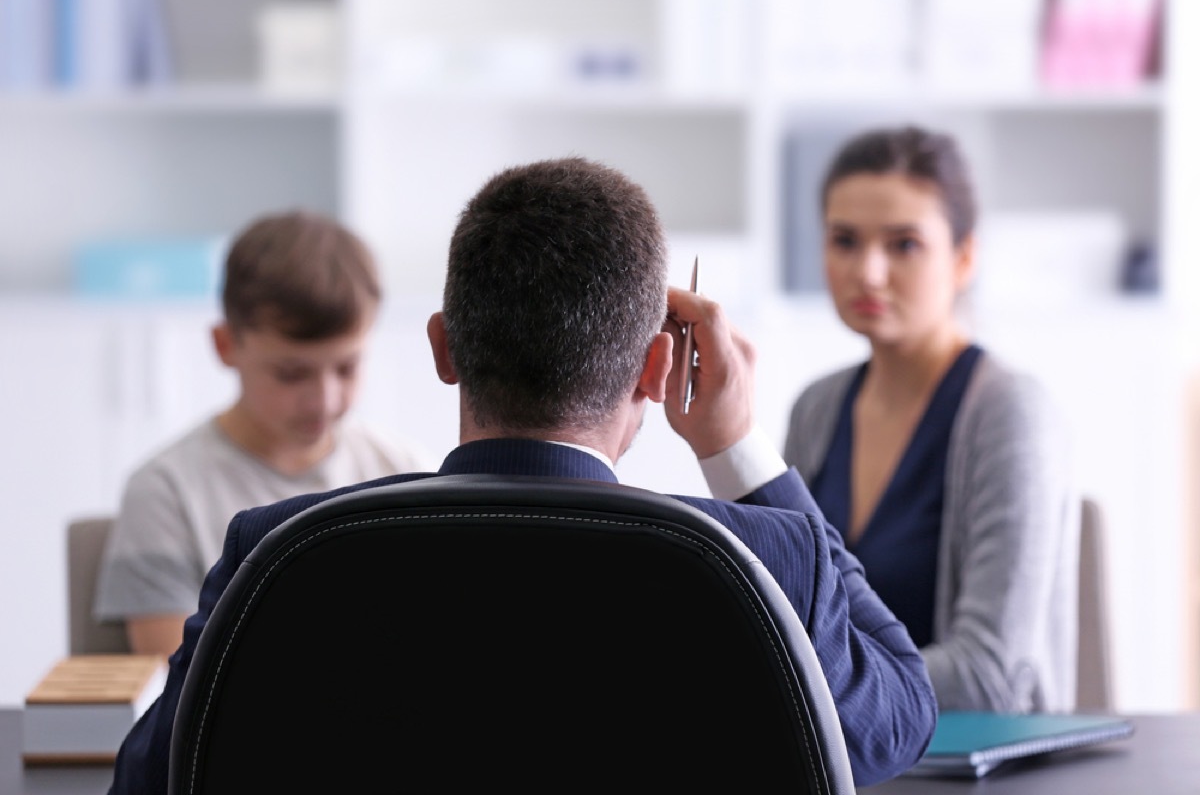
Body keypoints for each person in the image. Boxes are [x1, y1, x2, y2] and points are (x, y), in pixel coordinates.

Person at [107, 157, 936, 793]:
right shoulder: (768, 558)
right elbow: (904, 706)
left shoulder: (279, 551)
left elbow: (154, 780)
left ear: (442, 348)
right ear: (654, 369)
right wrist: (733, 445)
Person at [782, 126, 1079, 712]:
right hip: (847, 764)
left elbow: (990, 678)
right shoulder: (816, 407)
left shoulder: (1008, 411)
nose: (868, 271)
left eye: (904, 244)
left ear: (964, 256)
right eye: (844, 240)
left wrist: (816, 689)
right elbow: (785, 615)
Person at [94, 210, 429, 657]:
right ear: (225, 345)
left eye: (347, 368)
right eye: (292, 374)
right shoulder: (165, 493)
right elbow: (178, 694)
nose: (324, 400)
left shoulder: (409, 474)